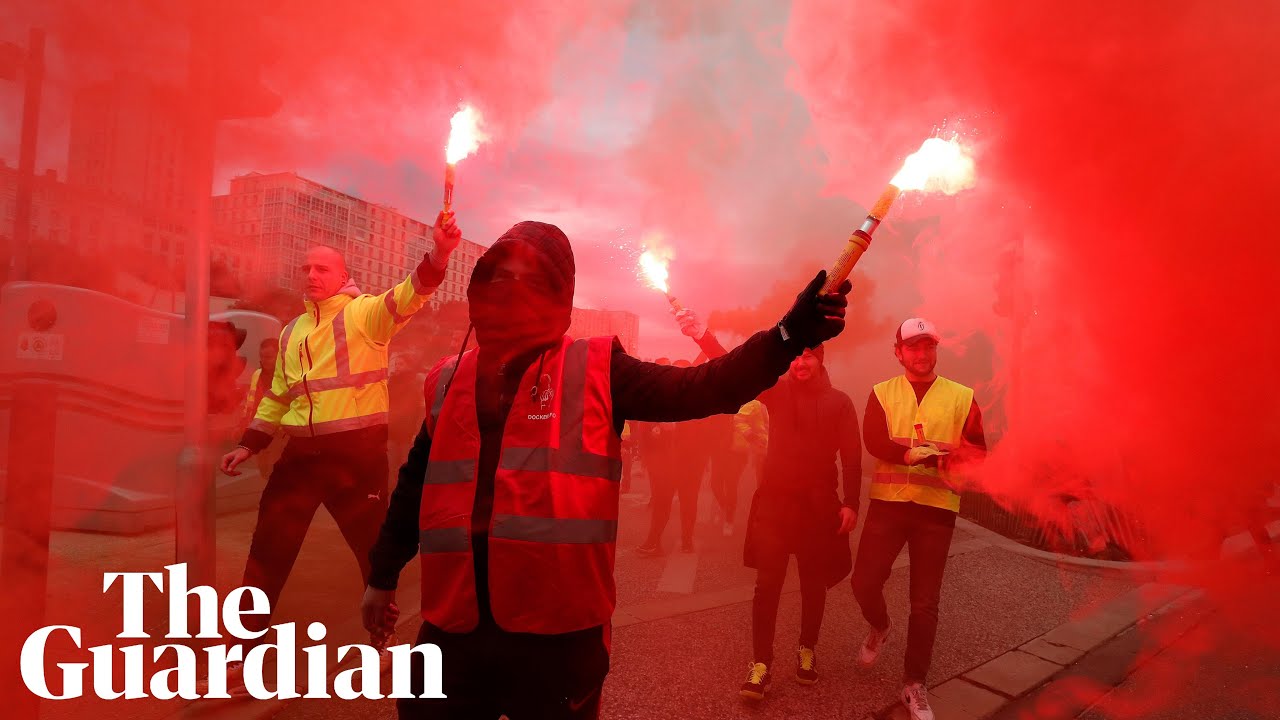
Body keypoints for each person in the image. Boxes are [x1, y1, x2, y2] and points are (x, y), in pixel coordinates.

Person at [362, 220, 852, 719]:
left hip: (558, 639)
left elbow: (708, 386)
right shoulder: (447, 379)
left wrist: (789, 335)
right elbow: (415, 484)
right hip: (452, 631)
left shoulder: (599, 368)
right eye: (500, 274)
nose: (511, 288)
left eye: (532, 278)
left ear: (559, 292)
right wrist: (382, 576)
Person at [214, 212, 463, 685]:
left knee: (373, 556)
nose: (311, 275)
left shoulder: (364, 313)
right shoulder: (291, 332)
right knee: (265, 554)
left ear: (343, 276)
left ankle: (384, 644)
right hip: (300, 457)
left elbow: (411, 293)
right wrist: (250, 443)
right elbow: (278, 395)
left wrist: (441, 253)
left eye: (322, 268)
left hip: (356, 457)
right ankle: (240, 661)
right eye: (306, 268)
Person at [677, 309, 859, 700]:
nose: (800, 362)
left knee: (813, 585)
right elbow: (738, 370)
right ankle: (761, 664)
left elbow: (852, 457)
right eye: (796, 356)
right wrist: (702, 336)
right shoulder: (776, 393)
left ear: (820, 359)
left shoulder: (840, 402)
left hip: (818, 509)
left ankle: (807, 649)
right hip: (775, 505)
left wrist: (851, 503)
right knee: (767, 586)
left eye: (808, 355)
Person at [852, 318, 986, 720]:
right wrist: (908, 454)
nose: (922, 354)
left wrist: (948, 459)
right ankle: (880, 626)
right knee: (864, 582)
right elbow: (873, 440)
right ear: (899, 353)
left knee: (925, 602)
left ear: (935, 350)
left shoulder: (962, 396)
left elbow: (979, 452)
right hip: (889, 504)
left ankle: (914, 683)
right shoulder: (882, 392)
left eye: (928, 347)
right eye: (913, 347)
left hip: (937, 509)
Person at [241, 337, 286, 478]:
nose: (264, 360)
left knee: (277, 470)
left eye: (268, 357)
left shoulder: (286, 376)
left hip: (279, 433)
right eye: (262, 356)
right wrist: (245, 423)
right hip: (259, 429)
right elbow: (250, 401)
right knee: (264, 469)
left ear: (279, 356)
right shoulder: (257, 374)